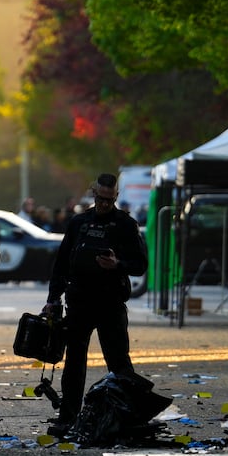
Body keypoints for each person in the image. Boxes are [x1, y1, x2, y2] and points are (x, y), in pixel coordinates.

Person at [42, 172, 148, 435]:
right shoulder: (79, 222)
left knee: (119, 364)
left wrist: (117, 265)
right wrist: (53, 299)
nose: (103, 204)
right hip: (79, 301)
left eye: (109, 200)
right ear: (93, 194)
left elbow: (140, 265)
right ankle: (68, 417)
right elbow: (62, 264)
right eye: (100, 198)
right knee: (74, 364)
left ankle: (126, 418)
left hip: (110, 303)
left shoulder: (125, 224)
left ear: (116, 197)